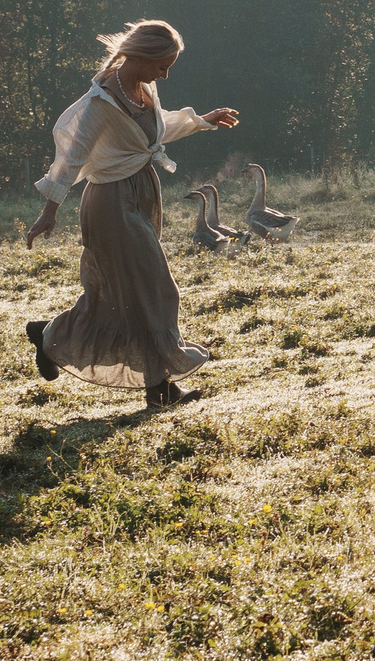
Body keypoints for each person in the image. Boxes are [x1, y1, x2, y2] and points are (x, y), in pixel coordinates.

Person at [24, 21, 240, 407]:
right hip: (110, 203)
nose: (166, 74)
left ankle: (51, 335)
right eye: (162, 65)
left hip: (142, 193)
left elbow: (155, 131)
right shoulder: (100, 102)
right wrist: (49, 210)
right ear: (141, 57)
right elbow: (70, 159)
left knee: (125, 296)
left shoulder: (144, 90)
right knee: (155, 291)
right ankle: (159, 389)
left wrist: (203, 119)